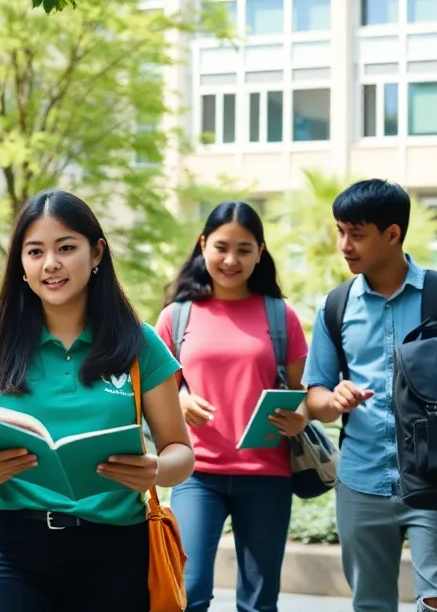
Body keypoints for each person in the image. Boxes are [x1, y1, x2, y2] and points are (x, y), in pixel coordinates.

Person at [0, 188, 194, 612]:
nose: (51, 264)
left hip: (117, 550)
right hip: (17, 551)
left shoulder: (140, 344)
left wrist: (154, 469)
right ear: (21, 265)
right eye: (35, 251)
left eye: (66, 248)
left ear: (96, 253)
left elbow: (181, 454)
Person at [303, 180, 437, 612]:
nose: (344, 245)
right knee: (370, 603)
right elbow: (313, 396)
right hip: (361, 479)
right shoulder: (335, 307)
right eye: (340, 231)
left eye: (357, 233)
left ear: (392, 233)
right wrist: (334, 400)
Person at [155, 201, 309, 612]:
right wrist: (181, 398)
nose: (230, 259)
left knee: (259, 604)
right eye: (221, 246)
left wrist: (298, 418)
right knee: (186, 595)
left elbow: (303, 395)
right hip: (195, 474)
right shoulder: (176, 316)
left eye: (244, 249)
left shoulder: (281, 316)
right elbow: (151, 396)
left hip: (267, 476)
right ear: (203, 245)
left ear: (260, 251)